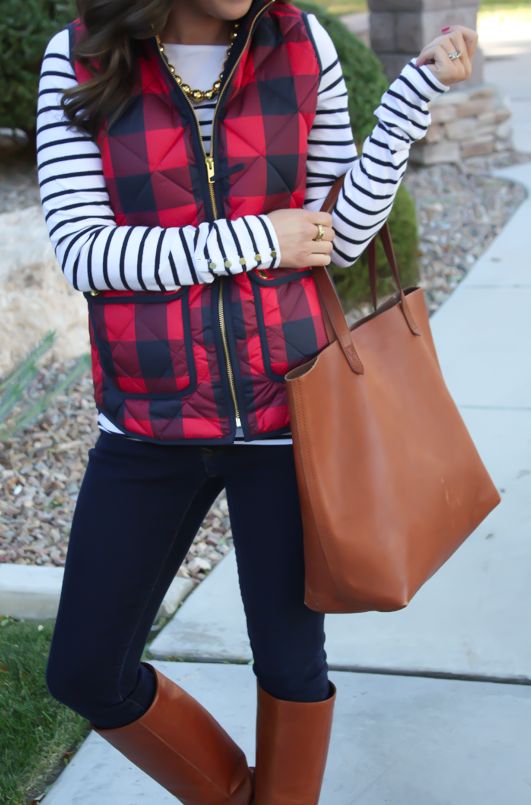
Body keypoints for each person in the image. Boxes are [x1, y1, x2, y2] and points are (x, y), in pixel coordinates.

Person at [36, 0, 477, 800]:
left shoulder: (300, 41)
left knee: (290, 662)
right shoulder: (81, 55)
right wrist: (259, 239)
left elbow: (340, 237)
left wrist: (410, 97)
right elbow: (85, 251)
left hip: (288, 410)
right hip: (147, 420)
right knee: (86, 668)